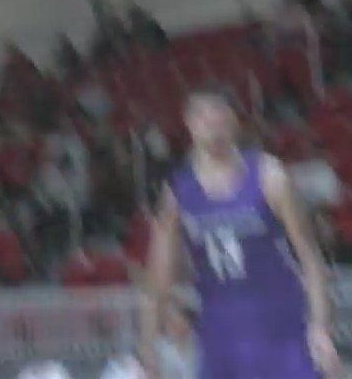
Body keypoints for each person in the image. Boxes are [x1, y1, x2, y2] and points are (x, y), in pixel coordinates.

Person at [140, 91, 336, 379]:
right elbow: (158, 278)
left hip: (280, 325)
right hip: (220, 333)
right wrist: (147, 347)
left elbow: (310, 258)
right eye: (203, 118)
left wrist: (320, 327)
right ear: (189, 124)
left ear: (234, 123)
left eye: (219, 117)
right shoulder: (178, 193)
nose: (212, 125)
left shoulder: (269, 176)